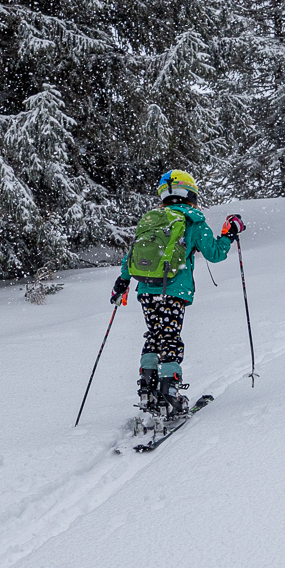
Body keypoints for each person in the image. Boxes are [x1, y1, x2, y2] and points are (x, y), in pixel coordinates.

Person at [111, 169, 242, 416]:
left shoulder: (152, 219)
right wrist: (229, 235)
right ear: (191, 194)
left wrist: (123, 282)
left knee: (154, 334)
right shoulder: (193, 220)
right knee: (170, 337)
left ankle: (147, 389)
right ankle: (169, 393)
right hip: (174, 290)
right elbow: (214, 254)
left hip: (147, 289)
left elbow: (132, 256)